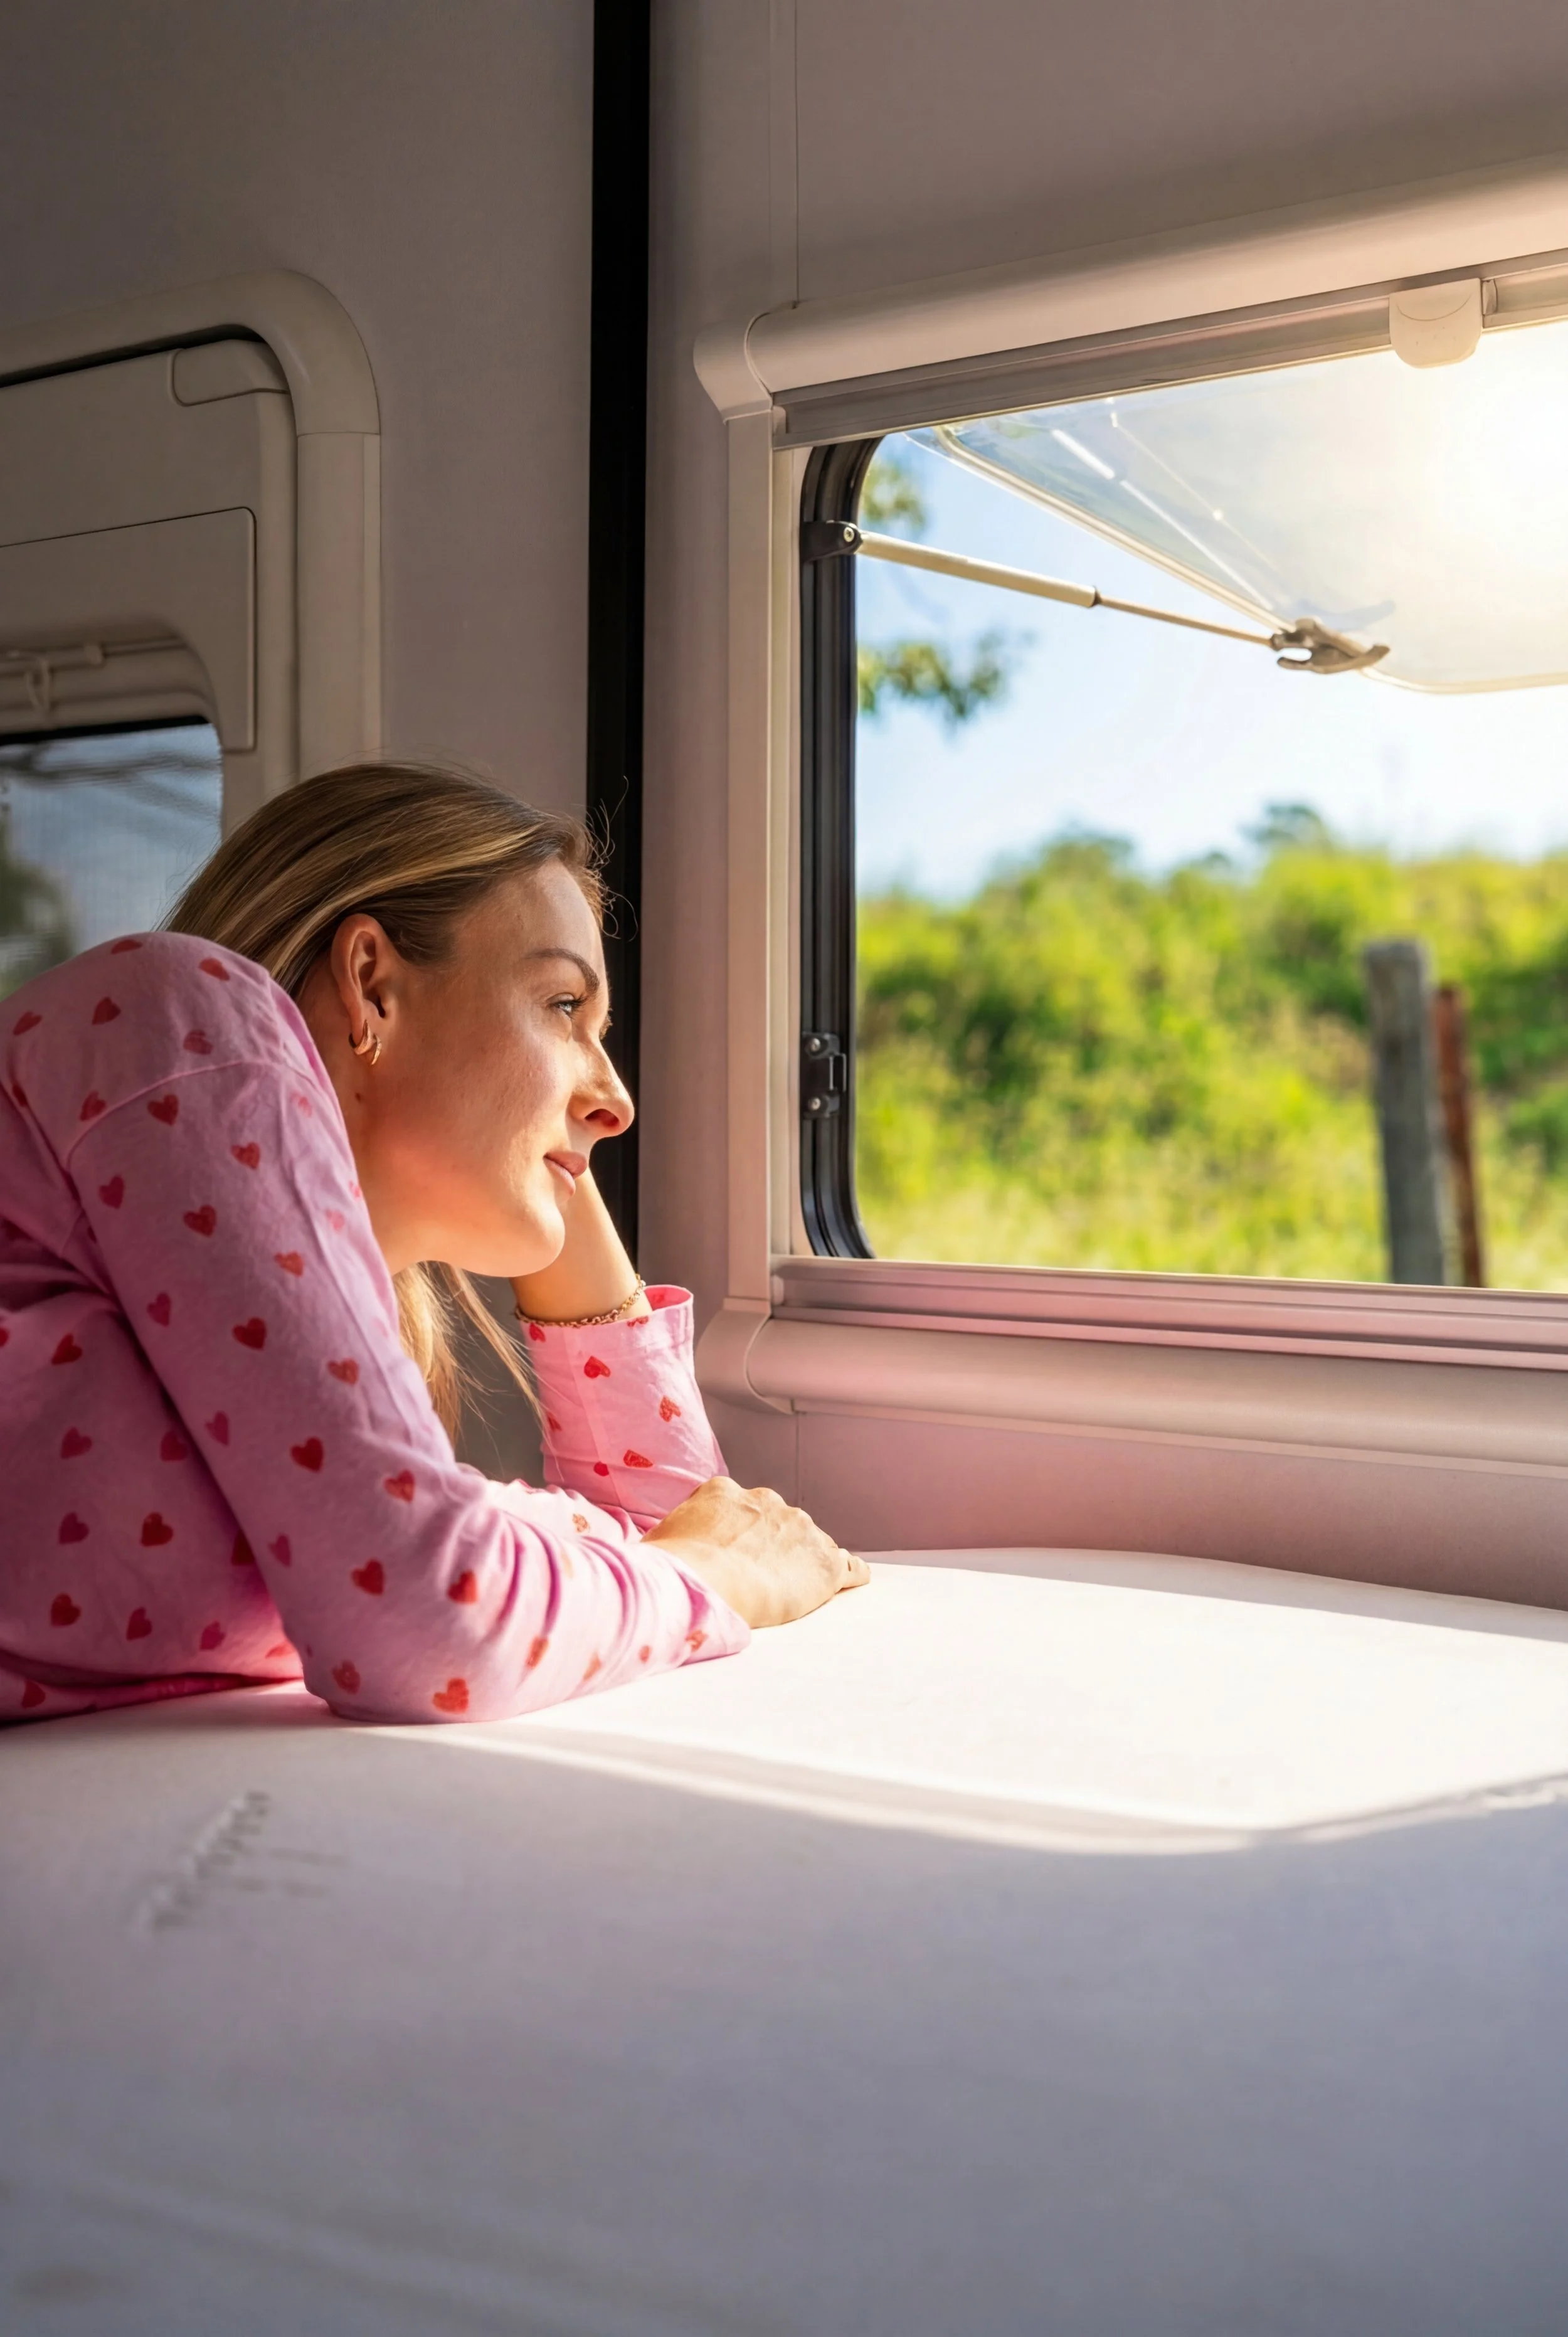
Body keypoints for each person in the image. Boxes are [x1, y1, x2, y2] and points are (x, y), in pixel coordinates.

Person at [0, 760, 867, 1725]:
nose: (618, 1102)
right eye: (564, 1007)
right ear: (371, 984)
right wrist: (699, 1572)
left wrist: (546, 1149)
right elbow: (434, 1621)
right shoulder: (178, 1014)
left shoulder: (254, 1358)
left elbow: (671, 1516)